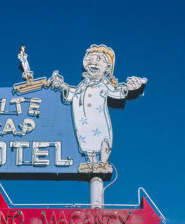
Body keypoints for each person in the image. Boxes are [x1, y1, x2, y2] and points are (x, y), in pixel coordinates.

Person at [48, 44, 147, 173]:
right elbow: (72, 93)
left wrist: (129, 88)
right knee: (86, 141)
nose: (93, 63)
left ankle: (103, 163)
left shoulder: (103, 83)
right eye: (90, 59)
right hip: (82, 119)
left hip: (99, 119)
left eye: (99, 60)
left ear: (107, 67)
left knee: (103, 139)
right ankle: (91, 163)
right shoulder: (82, 84)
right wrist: (62, 86)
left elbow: (116, 92)